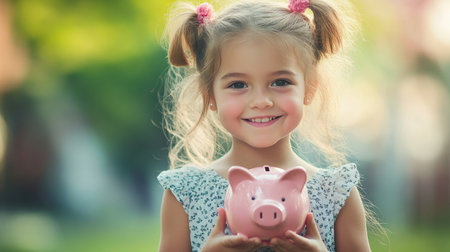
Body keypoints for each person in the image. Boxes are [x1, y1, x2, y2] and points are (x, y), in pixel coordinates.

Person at [157, 0, 371, 251]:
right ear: (210, 96)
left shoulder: (335, 193)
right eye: (238, 85)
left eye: (280, 82)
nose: (261, 101)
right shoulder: (185, 194)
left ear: (309, 87)